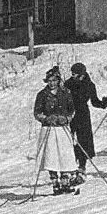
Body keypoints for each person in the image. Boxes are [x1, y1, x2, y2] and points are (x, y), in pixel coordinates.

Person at [34, 66, 79, 194]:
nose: (52, 83)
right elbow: (37, 112)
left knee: (65, 154)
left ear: (58, 80)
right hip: (48, 129)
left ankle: (65, 180)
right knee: (51, 155)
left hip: (62, 128)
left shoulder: (66, 93)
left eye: (54, 80)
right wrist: (46, 118)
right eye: (49, 81)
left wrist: (66, 118)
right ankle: (55, 182)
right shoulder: (42, 95)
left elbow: (72, 110)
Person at [65, 62, 107, 174]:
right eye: (72, 73)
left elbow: (94, 101)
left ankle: (82, 165)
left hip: (83, 114)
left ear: (82, 74)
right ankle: (70, 165)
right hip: (69, 114)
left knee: (83, 140)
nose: (72, 76)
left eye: (75, 74)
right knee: (69, 139)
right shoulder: (68, 84)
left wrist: (103, 104)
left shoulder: (89, 85)